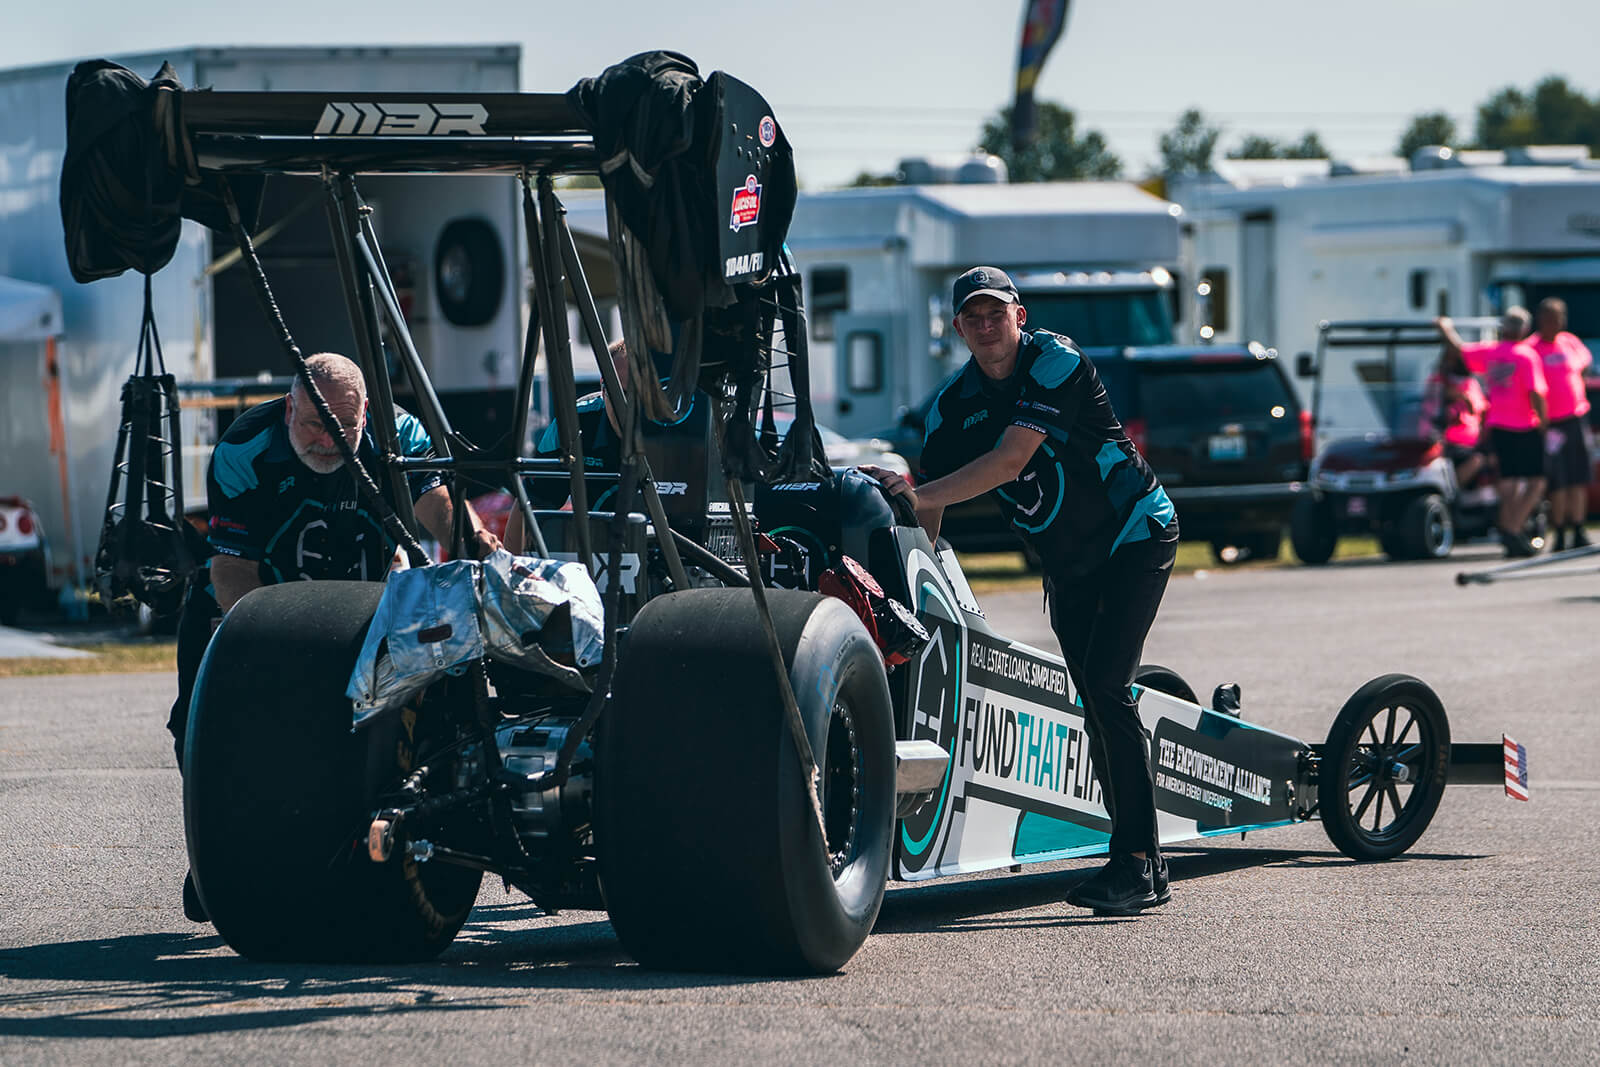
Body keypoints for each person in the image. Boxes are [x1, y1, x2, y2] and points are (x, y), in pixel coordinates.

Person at [863, 266, 1178, 916]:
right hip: (1070, 564)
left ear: (1020, 315)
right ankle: (1144, 857)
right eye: (972, 316)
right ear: (957, 328)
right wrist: (918, 587)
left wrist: (917, 493)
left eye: (996, 312)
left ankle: (1137, 865)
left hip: (1136, 534)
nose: (986, 325)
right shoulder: (952, 406)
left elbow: (1010, 460)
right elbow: (929, 513)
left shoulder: (1056, 361)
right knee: (1095, 697)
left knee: (1109, 687)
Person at [170, 352, 501, 921]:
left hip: (362, 612)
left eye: (342, 427)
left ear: (366, 414)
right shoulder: (243, 451)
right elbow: (232, 569)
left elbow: (440, 510)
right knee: (201, 730)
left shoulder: (399, 435)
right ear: (288, 410)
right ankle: (227, 857)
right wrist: (266, 653)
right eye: (313, 425)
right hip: (257, 607)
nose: (328, 440)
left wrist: (484, 553)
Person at [1438, 310, 1547, 557]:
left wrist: (1444, 328)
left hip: (1498, 425)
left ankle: (1510, 530)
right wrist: (1543, 421)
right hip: (1524, 425)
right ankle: (1513, 527)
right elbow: (1536, 392)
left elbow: (1458, 348)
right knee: (1536, 481)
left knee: (1508, 480)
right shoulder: (1526, 355)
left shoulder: (1491, 352)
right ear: (1523, 330)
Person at [1523, 298, 1593, 551]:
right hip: (1550, 425)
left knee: (1579, 477)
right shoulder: (1531, 348)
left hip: (1575, 418)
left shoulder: (1570, 342)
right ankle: (1560, 531)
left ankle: (1578, 528)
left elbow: (1584, 366)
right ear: (1541, 319)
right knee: (1558, 481)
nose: (1556, 323)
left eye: (1560, 318)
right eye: (1551, 318)